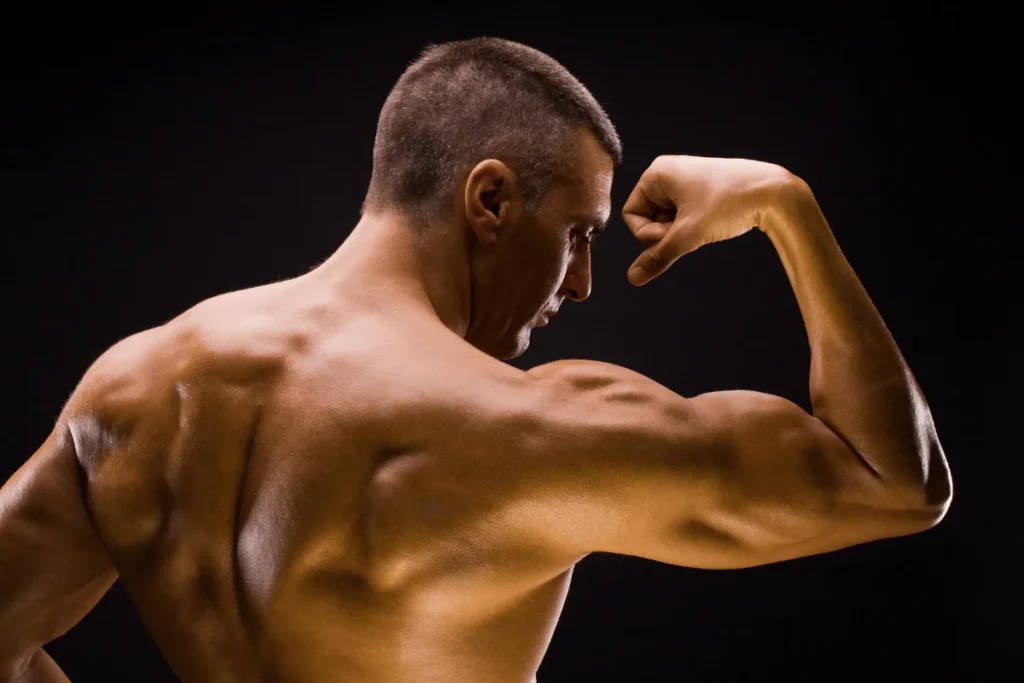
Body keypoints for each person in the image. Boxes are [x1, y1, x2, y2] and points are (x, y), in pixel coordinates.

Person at [0, 37, 951, 683]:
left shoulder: (128, 390)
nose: (579, 284)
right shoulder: (534, 428)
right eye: (577, 233)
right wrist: (783, 202)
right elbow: (893, 482)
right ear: (489, 200)